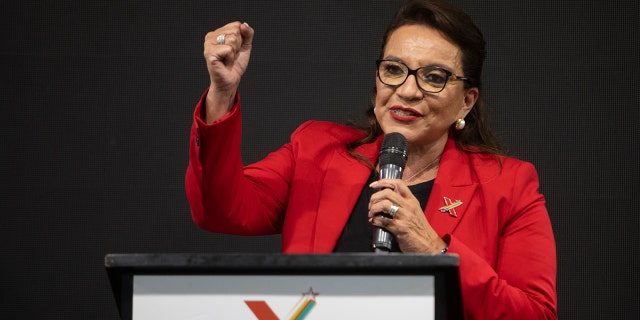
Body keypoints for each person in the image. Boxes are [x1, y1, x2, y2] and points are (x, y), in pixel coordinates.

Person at [185, 0, 557, 318]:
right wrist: (223, 93)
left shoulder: (508, 185)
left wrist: (433, 251)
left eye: (434, 77)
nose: (407, 91)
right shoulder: (315, 151)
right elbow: (218, 209)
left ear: (467, 101)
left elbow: (535, 314)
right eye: (394, 70)